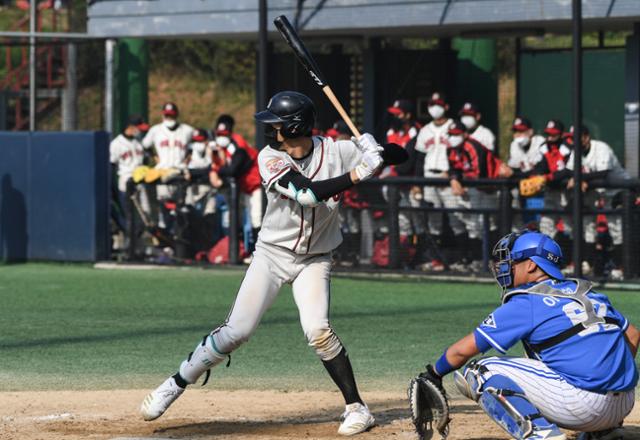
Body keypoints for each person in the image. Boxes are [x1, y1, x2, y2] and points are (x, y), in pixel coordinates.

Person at [140, 91, 385, 436]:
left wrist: (375, 149)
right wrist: (359, 172)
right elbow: (308, 194)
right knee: (236, 331)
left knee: (318, 330)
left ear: (296, 127)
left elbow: (388, 156)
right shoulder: (270, 157)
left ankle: (358, 408)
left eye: (279, 125)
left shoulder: (336, 150)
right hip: (272, 255)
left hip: (314, 259)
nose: (272, 131)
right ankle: (177, 382)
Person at [415, 230, 638, 440]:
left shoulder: (527, 300)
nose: (504, 268)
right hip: (625, 402)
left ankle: (541, 435)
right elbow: (633, 335)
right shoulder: (589, 293)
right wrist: (610, 378)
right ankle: (605, 431)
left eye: (511, 262)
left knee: (478, 371)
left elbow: (461, 351)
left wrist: (434, 374)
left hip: (582, 407)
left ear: (531, 265)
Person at [444, 120, 512, 271]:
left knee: (490, 224)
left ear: (465, 135)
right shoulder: (451, 149)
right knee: (474, 224)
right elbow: (453, 168)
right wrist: (454, 178)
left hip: (491, 187)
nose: (453, 137)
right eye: (451, 134)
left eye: (456, 134)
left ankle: (494, 261)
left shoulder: (472, 146)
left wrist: (458, 179)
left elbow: (479, 173)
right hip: (475, 189)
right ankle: (478, 259)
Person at [564, 125, 630, 279]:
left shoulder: (601, 148)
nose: (573, 141)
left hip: (615, 189)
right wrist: (577, 179)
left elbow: (604, 173)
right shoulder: (576, 151)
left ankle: (622, 268)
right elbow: (568, 171)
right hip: (593, 190)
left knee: (616, 229)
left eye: (577, 137)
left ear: (586, 137)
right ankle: (588, 264)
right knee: (587, 224)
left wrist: (580, 178)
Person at [414, 92, 454, 271]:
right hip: (429, 177)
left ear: (446, 106)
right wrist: (417, 182)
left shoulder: (455, 126)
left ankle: (465, 259)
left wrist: (453, 173)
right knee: (433, 221)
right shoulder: (424, 130)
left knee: (458, 218)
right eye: (432, 104)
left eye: (438, 103)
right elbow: (420, 158)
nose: (435, 107)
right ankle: (437, 259)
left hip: (448, 177)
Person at [209, 122, 262, 256]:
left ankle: (259, 254)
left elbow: (233, 170)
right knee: (236, 219)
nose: (221, 137)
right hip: (243, 186)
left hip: (256, 184)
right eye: (219, 134)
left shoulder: (238, 145)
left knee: (256, 219)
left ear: (230, 134)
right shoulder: (222, 148)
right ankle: (240, 252)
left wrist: (217, 171)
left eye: (224, 134)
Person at [142, 102, 195, 227]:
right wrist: (154, 156)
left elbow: (196, 145)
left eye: (171, 115)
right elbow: (145, 145)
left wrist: (189, 157)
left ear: (176, 115)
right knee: (164, 206)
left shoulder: (187, 130)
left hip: (181, 173)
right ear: (162, 115)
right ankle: (165, 234)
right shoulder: (155, 130)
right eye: (167, 115)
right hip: (163, 172)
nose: (169, 118)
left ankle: (182, 235)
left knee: (184, 207)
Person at [109, 114, 151, 240]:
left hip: (141, 183)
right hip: (126, 183)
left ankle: (137, 244)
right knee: (130, 217)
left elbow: (144, 161)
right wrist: (113, 188)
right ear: (131, 127)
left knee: (146, 215)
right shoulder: (116, 143)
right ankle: (130, 247)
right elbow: (111, 166)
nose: (140, 131)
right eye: (138, 128)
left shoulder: (138, 142)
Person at [508, 117, 546, 227]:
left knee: (542, 225)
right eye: (515, 131)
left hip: (540, 192)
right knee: (522, 224)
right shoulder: (514, 145)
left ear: (530, 132)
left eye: (521, 131)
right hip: (523, 191)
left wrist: (518, 174)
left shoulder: (540, 142)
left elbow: (541, 169)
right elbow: (513, 169)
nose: (518, 135)